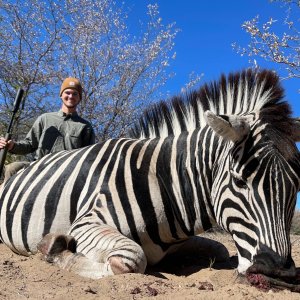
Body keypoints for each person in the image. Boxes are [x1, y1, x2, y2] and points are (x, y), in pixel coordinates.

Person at [0, 77, 95, 182]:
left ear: (79, 98)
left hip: (67, 172)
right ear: (61, 95)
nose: (70, 96)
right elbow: (30, 144)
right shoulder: (45, 118)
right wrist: (12, 146)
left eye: (75, 94)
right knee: (12, 168)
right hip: (39, 167)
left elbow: (88, 158)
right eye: (67, 92)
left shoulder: (86, 126)